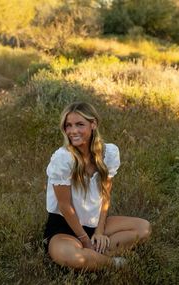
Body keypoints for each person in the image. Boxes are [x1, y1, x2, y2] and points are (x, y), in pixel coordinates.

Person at [43, 102, 151, 270]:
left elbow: (105, 195)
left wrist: (99, 231)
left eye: (80, 124)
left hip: (94, 223)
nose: (73, 131)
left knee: (143, 228)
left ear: (93, 124)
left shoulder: (109, 154)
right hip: (65, 228)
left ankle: (94, 258)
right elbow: (64, 206)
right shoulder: (63, 159)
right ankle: (113, 263)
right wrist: (85, 240)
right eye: (68, 125)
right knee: (73, 257)